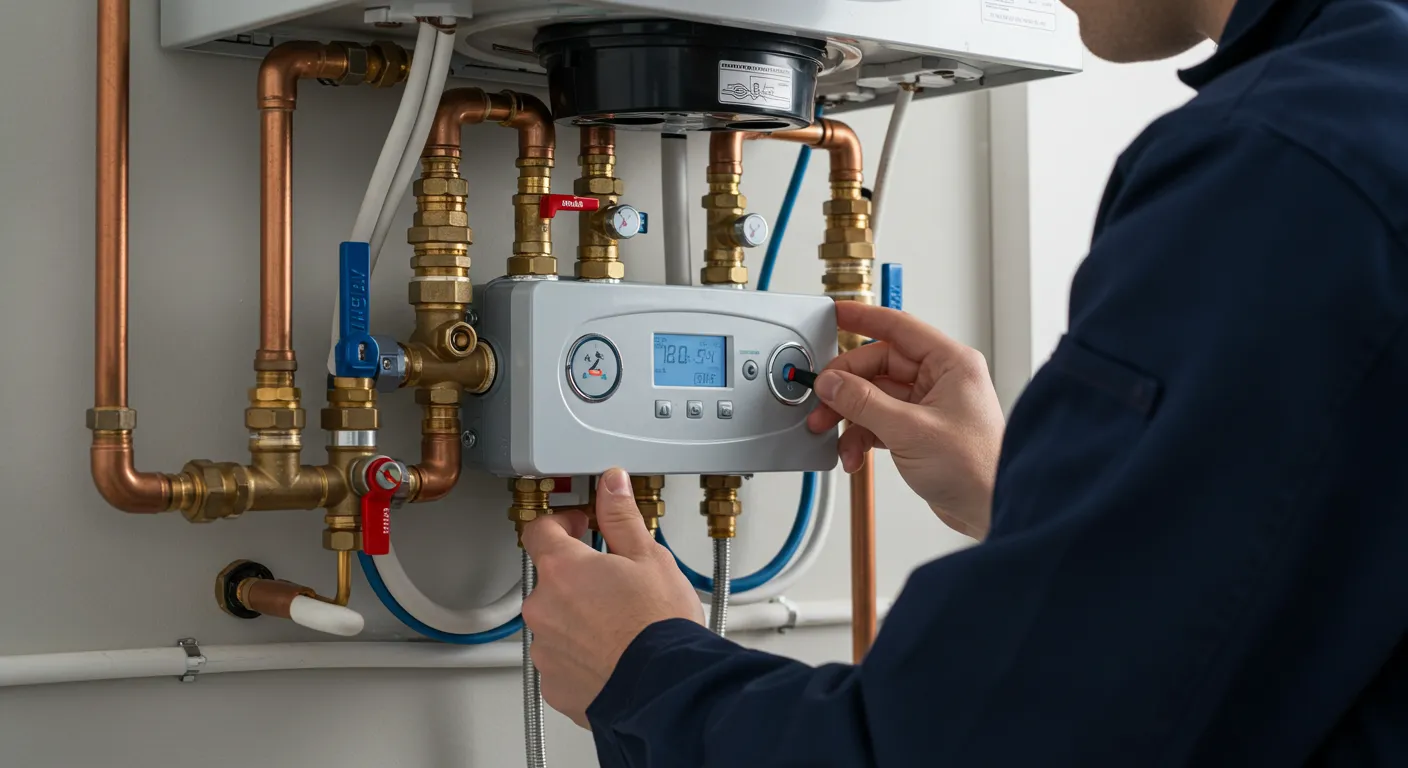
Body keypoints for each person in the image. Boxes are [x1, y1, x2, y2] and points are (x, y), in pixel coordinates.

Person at [521, 0, 1408, 762]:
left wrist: (644, 671)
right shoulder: (1362, 109)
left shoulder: (1277, 165)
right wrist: (1031, 501)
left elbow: (975, 744)